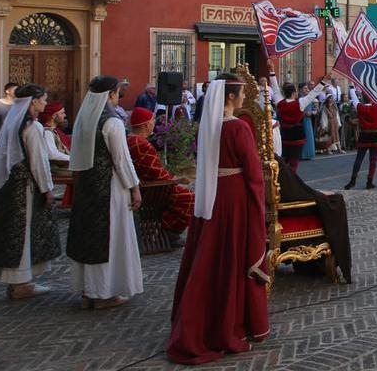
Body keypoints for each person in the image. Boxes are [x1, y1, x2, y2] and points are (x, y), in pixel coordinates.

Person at [166, 74, 270, 365]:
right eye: (239, 94)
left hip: (211, 197)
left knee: (209, 259)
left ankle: (202, 318)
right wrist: (259, 200)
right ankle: (230, 323)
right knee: (233, 258)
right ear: (230, 97)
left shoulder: (207, 127)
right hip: (234, 199)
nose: (242, 99)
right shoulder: (238, 128)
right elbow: (252, 170)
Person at [0, 84, 60, 299]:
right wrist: (47, 189)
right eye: (43, 99)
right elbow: (38, 162)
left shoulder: (13, 123)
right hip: (24, 187)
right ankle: (21, 283)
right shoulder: (32, 127)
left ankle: (17, 281)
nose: (45, 103)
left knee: (12, 232)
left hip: (8, 186)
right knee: (23, 232)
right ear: (34, 101)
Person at [67, 75, 143, 309]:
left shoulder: (84, 119)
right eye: (117, 92)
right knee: (110, 238)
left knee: (89, 237)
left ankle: (89, 290)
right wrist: (135, 187)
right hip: (110, 188)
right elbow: (121, 159)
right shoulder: (113, 122)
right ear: (111, 94)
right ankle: (103, 293)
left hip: (87, 186)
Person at [127, 107, 194, 239]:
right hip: (151, 190)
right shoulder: (140, 143)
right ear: (146, 125)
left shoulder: (130, 139)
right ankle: (169, 232)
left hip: (147, 186)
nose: (154, 124)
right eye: (152, 121)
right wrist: (176, 180)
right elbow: (155, 172)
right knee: (189, 197)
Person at [273, 78, 323, 174]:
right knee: (293, 163)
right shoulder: (300, 103)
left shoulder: (280, 103)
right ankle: (291, 183)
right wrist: (323, 82)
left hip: (285, 135)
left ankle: (282, 181)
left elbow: (275, 88)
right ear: (294, 93)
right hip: (297, 135)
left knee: (284, 160)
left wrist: (272, 72)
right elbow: (314, 93)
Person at [346, 90, 377, 190]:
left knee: (359, 158)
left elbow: (354, 97)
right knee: (373, 160)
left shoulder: (360, 107)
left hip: (364, 135)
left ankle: (353, 180)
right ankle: (369, 182)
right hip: (375, 135)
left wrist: (352, 87)